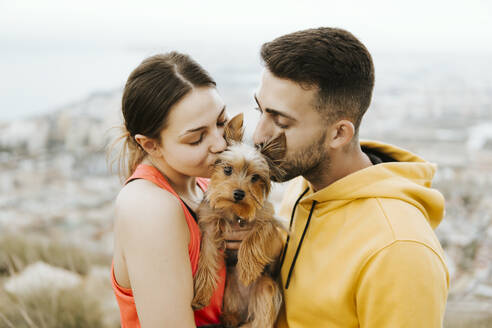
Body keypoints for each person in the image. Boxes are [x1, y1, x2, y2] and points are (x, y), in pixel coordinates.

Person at [251, 27, 449, 327]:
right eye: (260, 111)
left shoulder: (398, 250)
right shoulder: (304, 186)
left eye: (280, 122)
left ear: (339, 133)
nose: (258, 135)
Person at [110, 52, 240, 328]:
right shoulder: (149, 207)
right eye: (196, 139)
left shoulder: (206, 184)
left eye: (221, 121)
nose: (220, 143)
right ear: (150, 145)